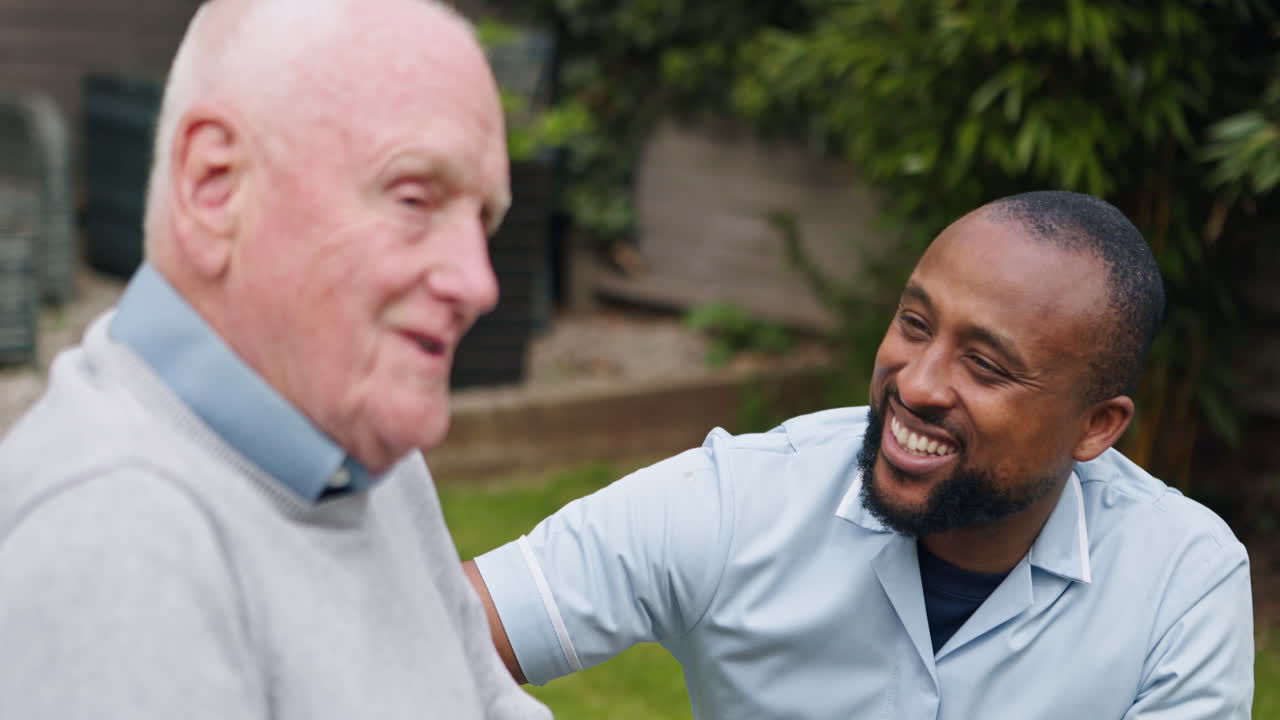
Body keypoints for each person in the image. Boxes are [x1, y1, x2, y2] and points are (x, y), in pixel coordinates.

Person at [465, 191, 1255, 719]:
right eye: (915, 323)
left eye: (983, 364)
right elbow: (431, 632)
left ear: (1096, 427)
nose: (915, 383)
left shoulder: (1179, 581)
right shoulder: (740, 500)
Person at [0, 1, 549, 718]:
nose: (479, 283)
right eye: (415, 199)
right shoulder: (115, 543)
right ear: (214, 186)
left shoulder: (359, 451)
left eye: (482, 221)